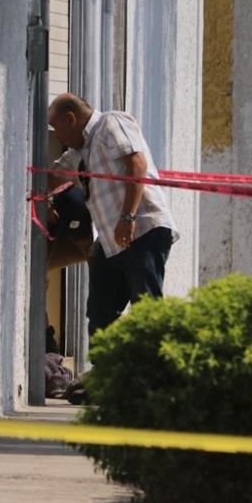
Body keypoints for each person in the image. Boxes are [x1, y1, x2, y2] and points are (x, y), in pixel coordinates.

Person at [47, 93, 178, 338]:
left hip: (142, 229)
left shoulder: (111, 123)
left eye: (56, 128)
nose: (57, 135)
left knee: (147, 307)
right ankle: (104, 373)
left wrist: (127, 217)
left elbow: (136, 164)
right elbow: (49, 177)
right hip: (111, 242)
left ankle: (155, 373)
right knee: (99, 314)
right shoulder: (78, 154)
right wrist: (43, 200)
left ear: (71, 118)